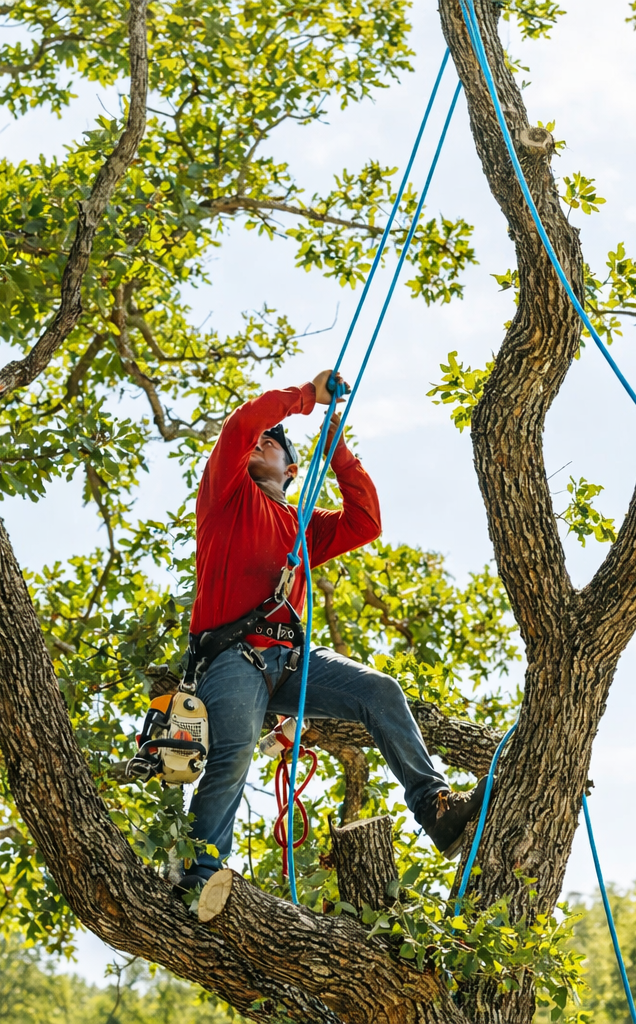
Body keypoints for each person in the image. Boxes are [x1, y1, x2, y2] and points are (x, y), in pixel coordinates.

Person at [179, 368, 489, 891]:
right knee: (232, 756)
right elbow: (240, 427)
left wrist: (339, 451)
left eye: (271, 441)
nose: (259, 441)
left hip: (294, 663)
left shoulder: (305, 525)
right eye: (258, 438)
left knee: (380, 691)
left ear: (292, 468)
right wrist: (305, 398)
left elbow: (364, 522)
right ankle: (200, 873)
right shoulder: (226, 496)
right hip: (233, 658)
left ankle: (435, 808)